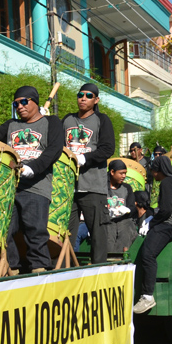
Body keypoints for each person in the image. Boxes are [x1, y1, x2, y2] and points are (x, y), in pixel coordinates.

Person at [0, 85, 64, 273]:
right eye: (16, 103)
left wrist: (33, 168)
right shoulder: (11, 125)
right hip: (10, 187)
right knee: (4, 231)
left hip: (36, 186)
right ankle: (13, 268)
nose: (20, 106)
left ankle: (39, 270)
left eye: (24, 102)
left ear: (35, 102)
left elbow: (55, 149)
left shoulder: (51, 122)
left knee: (35, 231)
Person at [64, 83, 115, 264]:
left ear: (96, 100)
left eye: (88, 95)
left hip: (93, 186)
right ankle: (65, 269)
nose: (83, 98)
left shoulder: (102, 119)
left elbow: (108, 148)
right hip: (69, 187)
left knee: (97, 233)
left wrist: (86, 158)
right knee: (65, 233)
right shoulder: (67, 120)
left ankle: (97, 269)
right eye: (80, 95)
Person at [134, 155, 172, 314]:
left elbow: (166, 210)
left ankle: (147, 296)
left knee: (148, 254)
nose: (152, 173)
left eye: (153, 169)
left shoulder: (166, 182)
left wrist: (152, 222)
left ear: (159, 169)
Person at [106, 159, 137, 253]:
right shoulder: (102, 187)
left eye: (125, 173)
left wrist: (127, 210)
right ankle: (109, 259)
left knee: (126, 231)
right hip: (107, 219)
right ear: (112, 172)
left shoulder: (127, 188)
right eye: (121, 173)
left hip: (123, 220)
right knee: (108, 235)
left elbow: (132, 208)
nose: (124, 176)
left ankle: (118, 259)